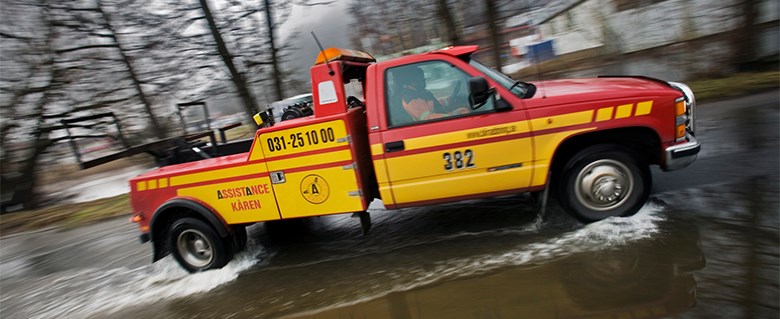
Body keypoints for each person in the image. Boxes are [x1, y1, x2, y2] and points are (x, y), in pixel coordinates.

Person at [392, 66, 469, 124]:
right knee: (464, 111)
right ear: (412, 81)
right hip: (437, 128)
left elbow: (429, 105)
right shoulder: (411, 98)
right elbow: (427, 118)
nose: (424, 79)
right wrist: (454, 115)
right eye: (421, 78)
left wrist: (449, 99)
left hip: (440, 123)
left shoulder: (418, 93)